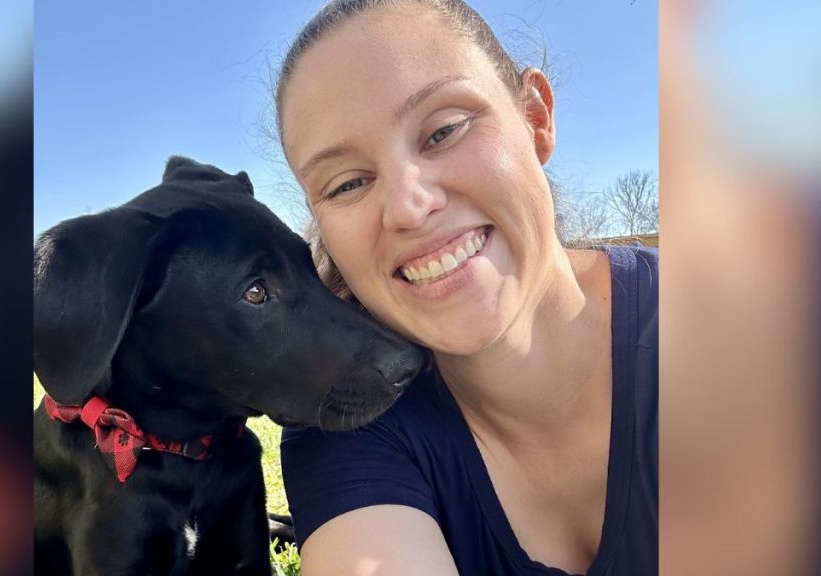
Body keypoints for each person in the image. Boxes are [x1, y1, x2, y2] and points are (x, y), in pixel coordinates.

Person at [275, 1, 657, 575]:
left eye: (443, 131)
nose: (408, 206)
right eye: (347, 182)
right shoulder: (352, 422)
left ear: (536, 118)